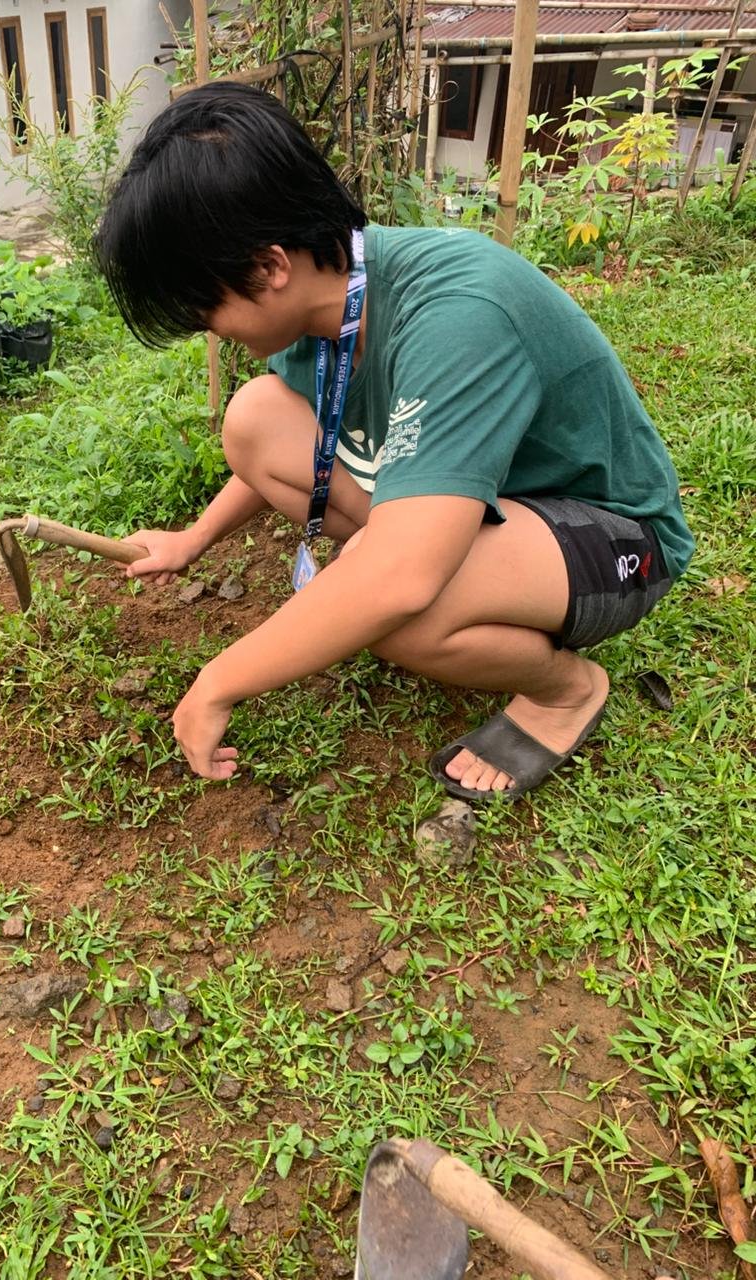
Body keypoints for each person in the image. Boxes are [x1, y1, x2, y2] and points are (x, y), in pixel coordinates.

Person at [94, 82, 693, 801]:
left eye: (206, 309)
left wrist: (220, 680)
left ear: (268, 267)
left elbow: (404, 578)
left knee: (408, 606)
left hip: (612, 537)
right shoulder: (326, 302)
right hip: (494, 506)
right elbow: (276, 456)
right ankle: (436, 555)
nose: (210, 331)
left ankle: (564, 691)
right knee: (255, 418)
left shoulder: (456, 312)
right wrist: (193, 539)